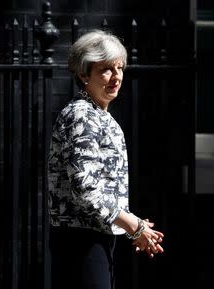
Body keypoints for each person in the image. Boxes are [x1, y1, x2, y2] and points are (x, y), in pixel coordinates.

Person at [48, 29, 164, 289]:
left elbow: (101, 187)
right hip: (80, 243)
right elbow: (85, 187)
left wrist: (133, 225)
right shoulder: (81, 115)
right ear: (83, 74)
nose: (116, 77)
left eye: (119, 68)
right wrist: (134, 225)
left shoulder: (100, 116)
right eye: (106, 70)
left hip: (95, 239)